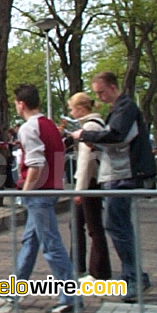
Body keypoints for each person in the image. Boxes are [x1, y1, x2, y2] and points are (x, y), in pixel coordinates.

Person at [72, 71, 155, 303]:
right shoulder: (119, 110)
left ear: (112, 86)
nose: (99, 97)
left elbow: (116, 136)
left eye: (101, 92)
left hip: (122, 174)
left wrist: (85, 135)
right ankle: (134, 276)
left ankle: (135, 277)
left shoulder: (125, 109)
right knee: (118, 226)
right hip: (117, 174)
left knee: (116, 226)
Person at [13, 84, 77, 313]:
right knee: (31, 240)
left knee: (50, 244)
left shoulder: (29, 128)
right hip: (51, 187)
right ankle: (16, 286)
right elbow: (56, 156)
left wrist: (26, 192)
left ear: (21, 104)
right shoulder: (49, 125)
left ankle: (70, 296)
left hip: (39, 192)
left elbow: (36, 164)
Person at [67, 92, 112, 282]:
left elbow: (86, 162)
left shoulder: (90, 127)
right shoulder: (96, 124)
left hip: (88, 181)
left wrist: (80, 189)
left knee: (93, 226)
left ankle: (98, 272)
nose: (70, 111)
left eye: (72, 108)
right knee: (78, 224)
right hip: (90, 180)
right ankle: (77, 266)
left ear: (80, 108)